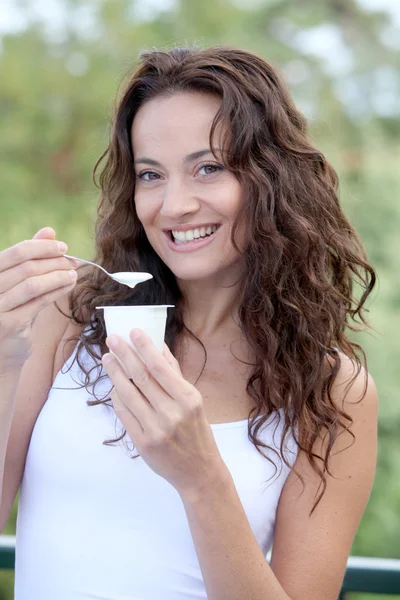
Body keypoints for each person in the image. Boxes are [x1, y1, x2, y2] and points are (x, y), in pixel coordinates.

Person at [0, 45, 378, 600]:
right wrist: (5, 356)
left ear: (274, 179)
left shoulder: (332, 391)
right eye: (151, 174)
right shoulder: (70, 318)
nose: (173, 205)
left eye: (208, 168)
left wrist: (200, 477)